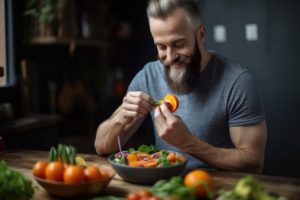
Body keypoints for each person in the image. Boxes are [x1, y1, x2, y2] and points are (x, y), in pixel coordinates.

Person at [94, 0, 267, 173]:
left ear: (201, 35)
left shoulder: (237, 82)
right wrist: (121, 117)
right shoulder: (148, 77)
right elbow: (101, 146)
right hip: (164, 189)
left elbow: (253, 161)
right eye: (161, 46)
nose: (169, 57)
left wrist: (188, 143)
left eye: (178, 44)